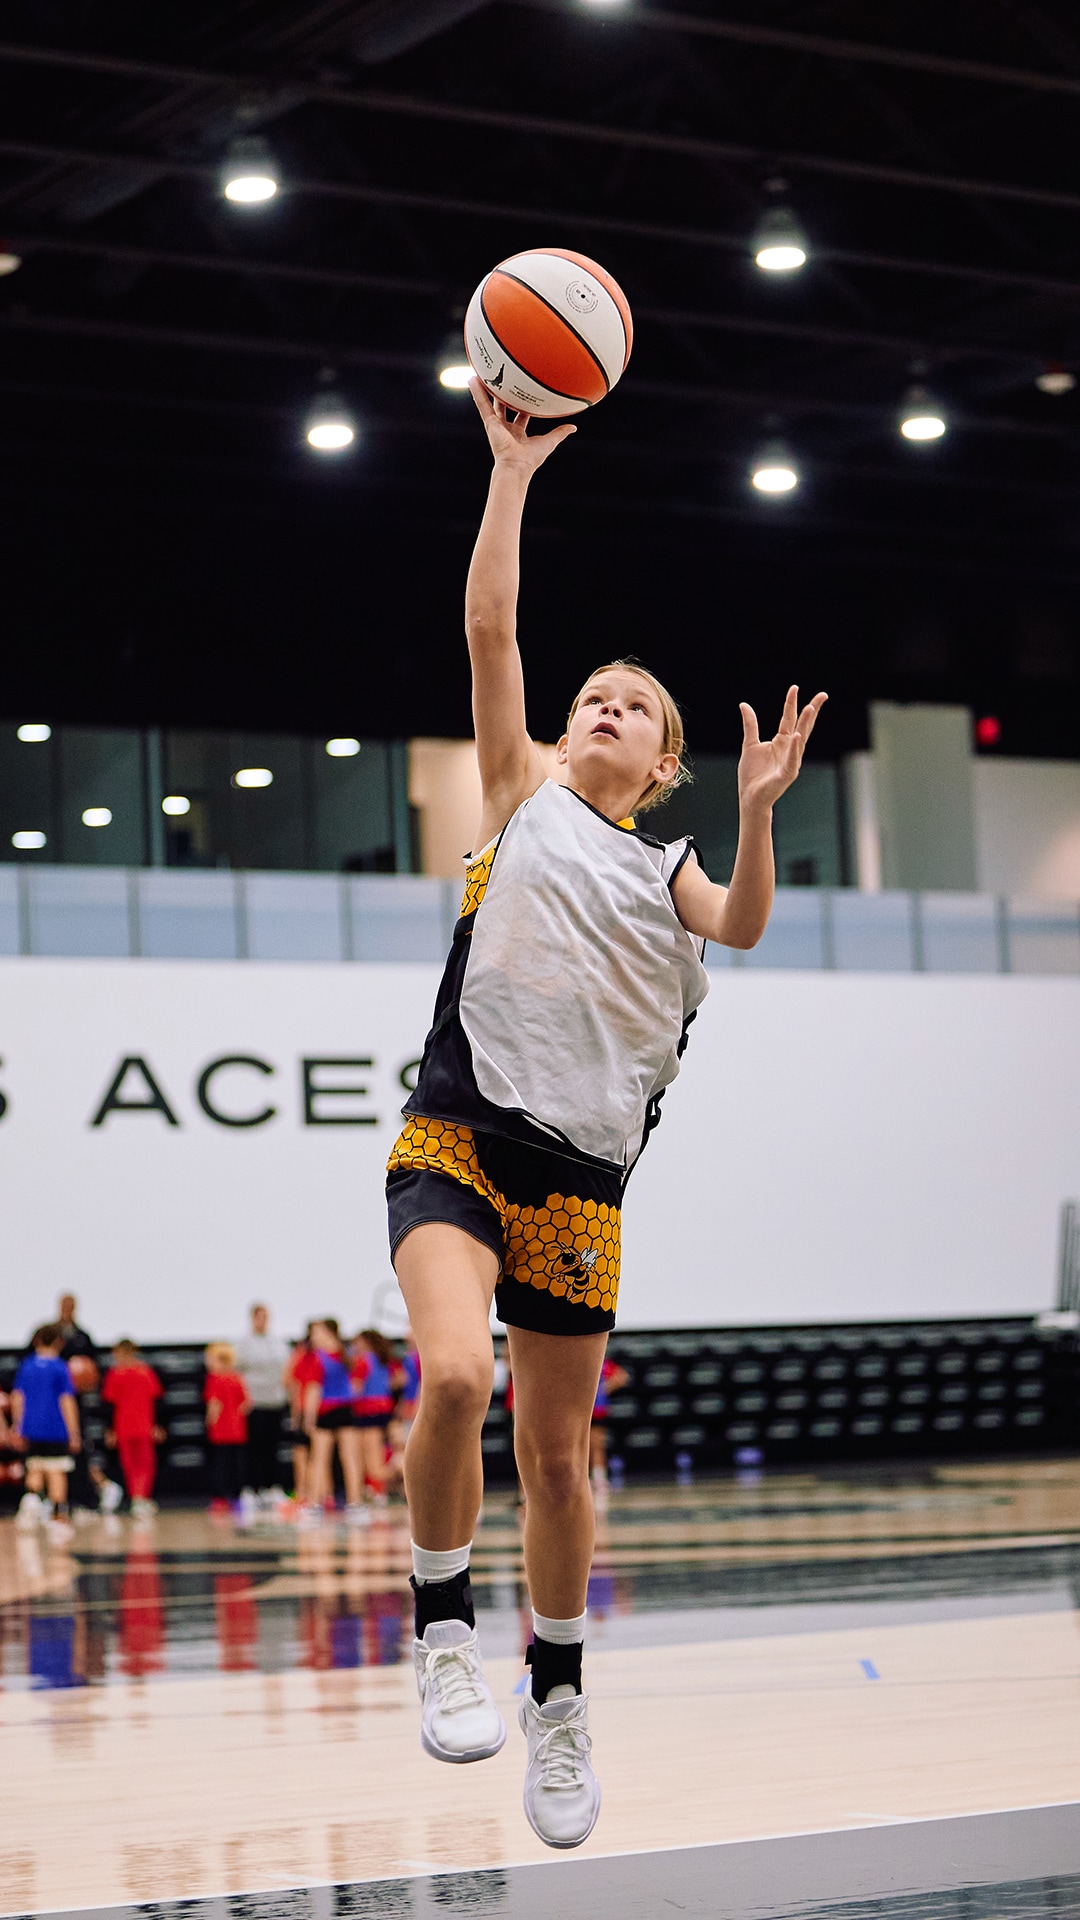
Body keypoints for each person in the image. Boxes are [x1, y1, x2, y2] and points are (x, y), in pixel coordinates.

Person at [384, 380, 825, 1849]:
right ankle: (443, 1624)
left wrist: (763, 813)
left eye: (633, 705)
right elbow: (492, 633)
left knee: (560, 1463)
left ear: (667, 759)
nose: (605, 706)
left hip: (578, 1188)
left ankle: (556, 1701)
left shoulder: (679, 867)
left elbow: (746, 929)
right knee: (453, 1379)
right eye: (595, 696)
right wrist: (510, 473)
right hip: (454, 1139)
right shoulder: (520, 797)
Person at [53, 1294, 123, 1514]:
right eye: (64, 1305)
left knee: (80, 1448)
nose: (67, 1309)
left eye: (71, 1305)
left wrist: (85, 1379)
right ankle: (58, 1500)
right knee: (54, 1454)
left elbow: (93, 1368)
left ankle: (87, 1498)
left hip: (76, 1401)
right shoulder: (50, 1335)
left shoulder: (83, 1336)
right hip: (52, 1403)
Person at [12, 1325, 81, 1536]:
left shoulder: (27, 1365)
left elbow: (17, 1397)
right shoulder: (60, 1367)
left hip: (31, 1427)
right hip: (55, 1427)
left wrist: (18, 1426)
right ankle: (58, 1516)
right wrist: (74, 1432)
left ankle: (31, 1500)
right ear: (58, 1342)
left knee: (34, 1467)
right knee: (56, 1471)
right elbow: (66, 1400)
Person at [302, 1319, 363, 1520]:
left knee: (319, 1459)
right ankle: (355, 1504)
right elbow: (355, 1386)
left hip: (326, 1411)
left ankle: (313, 1505)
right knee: (349, 1457)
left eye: (317, 1333)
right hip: (345, 1409)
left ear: (328, 1333)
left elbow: (314, 1390)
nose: (313, 1338)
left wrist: (309, 1418)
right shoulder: (346, 1354)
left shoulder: (317, 1358)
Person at [102, 1340, 164, 1521]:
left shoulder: (135, 1373)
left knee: (140, 1464)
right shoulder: (138, 1372)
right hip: (130, 1425)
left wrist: (110, 1429)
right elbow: (110, 1404)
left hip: (137, 1425)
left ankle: (139, 1497)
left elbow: (155, 1400)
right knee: (136, 1464)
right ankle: (139, 1498)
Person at [235, 1304, 289, 1506]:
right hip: (254, 1402)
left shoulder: (277, 1342)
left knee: (272, 1447)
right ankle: (251, 1488)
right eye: (259, 1317)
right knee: (253, 1448)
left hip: (275, 1401)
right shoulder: (243, 1343)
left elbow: (286, 1368)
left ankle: (271, 1487)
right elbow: (237, 1372)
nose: (263, 1321)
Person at [348, 1329, 397, 1509]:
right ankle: (376, 1489)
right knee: (372, 1456)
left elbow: (355, 1389)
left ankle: (401, 1469)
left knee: (370, 1462)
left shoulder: (363, 1361)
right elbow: (397, 1380)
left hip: (367, 1411)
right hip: (383, 1408)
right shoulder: (383, 1360)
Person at [203, 1342, 251, 1513]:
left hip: (221, 1430)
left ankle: (220, 1498)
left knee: (220, 1465)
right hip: (237, 1429)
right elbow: (246, 1404)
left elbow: (214, 1404)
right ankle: (236, 1497)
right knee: (236, 1464)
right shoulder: (237, 1378)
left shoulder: (214, 1379)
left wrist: (210, 1420)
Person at [284, 1324, 317, 1512]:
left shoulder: (306, 1358)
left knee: (309, 1455)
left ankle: (306, 1493)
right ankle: (310, 1493)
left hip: (309, 1410)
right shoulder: (307, 1358)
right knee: (310, 1454)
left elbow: (292, 1383)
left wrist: (300, 1415)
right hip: (308, 1409)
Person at [589, 1357, 629, 1494]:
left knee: (597, 1444)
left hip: (597, 1410)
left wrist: (604, 1388)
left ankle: (599, 1478)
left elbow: (622, 1377)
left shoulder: (603, 1364)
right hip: (578, 1410)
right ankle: (585, 1478)